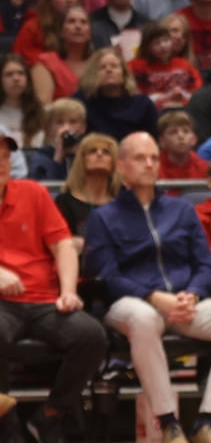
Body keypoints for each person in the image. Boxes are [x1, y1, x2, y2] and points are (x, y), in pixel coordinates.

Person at [83, 132, 211, 443]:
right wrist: (153, 296)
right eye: (140, 158)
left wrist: (192, 294)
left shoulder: (181, 210)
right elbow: (107, 276)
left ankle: (209, 421)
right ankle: (169, 424)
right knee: (144, 318)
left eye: (153, 157)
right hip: (130, 303)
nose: (149, 164)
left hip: (183, 301)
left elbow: (204, 265)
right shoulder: (104, 218)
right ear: (121, 166)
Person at [0, 142, 108, 443]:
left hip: (44, 299)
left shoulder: (32, 193)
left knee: (91, 335)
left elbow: (63, 245)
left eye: (6, 157)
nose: (2, 163)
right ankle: (6, 424)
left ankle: (51, 415)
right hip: (1, 305)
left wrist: (68, 291)